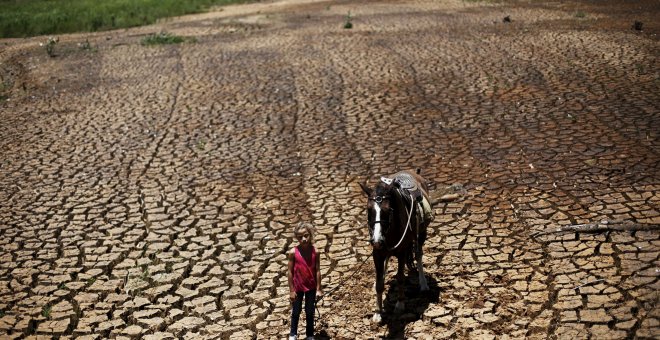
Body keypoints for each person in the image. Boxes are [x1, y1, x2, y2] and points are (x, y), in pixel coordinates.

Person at [288, 222, 323, 340]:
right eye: (300, 237)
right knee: (296, 311)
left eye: (306, 235)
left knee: (309, 311)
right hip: (298, 288)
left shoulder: (315, 251)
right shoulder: (293, 252)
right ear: (296, 238)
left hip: (311, 288)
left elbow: (317, 270)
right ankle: (293, 334)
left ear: (310, 235)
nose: (303, 239)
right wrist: (291, 290)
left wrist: (318, 289)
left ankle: (310, 335)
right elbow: (290, 272)